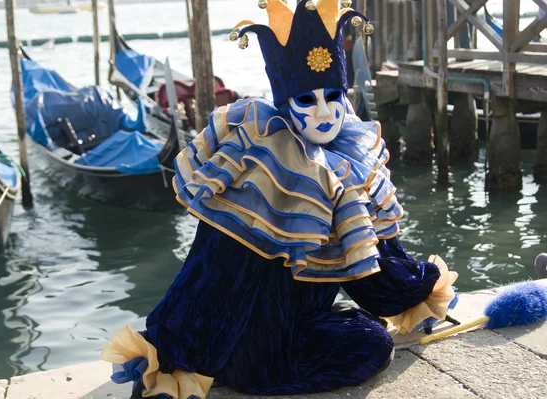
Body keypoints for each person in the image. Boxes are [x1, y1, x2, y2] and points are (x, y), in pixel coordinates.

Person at [101, 1, 458, 397]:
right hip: (258, 349)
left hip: (293, 322)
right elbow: (210, 270)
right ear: (286, 102)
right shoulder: (261, 161)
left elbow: (371, 262)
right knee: (372, 344)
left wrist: (415, 293)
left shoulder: (348, 160)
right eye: (307, 100)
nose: (324, 112)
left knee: (365, 328)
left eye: (334, 95)